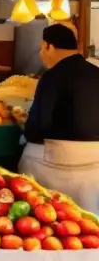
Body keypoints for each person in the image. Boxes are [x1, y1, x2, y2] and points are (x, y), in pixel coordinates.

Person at [19, 23, 99, 212]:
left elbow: (37, 128)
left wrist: (24, 125)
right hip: (97, 164)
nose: (41, 55)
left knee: (26, 153)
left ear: (49, 46)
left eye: (42, 49)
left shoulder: (51, 77)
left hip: (63, 165)